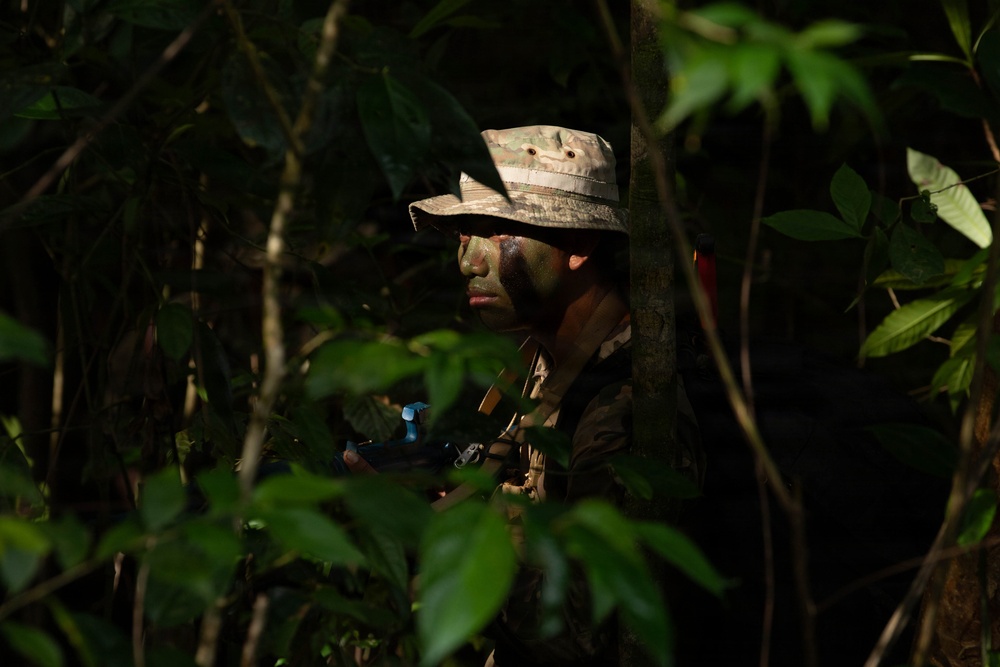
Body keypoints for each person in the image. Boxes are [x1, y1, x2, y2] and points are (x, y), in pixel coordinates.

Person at [346, 125, 700, 665]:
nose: (468, 262)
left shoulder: (622, 408)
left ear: (579, 244)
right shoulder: (549, 361)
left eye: (493, 231)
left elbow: (581, 639)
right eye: (464, 236)